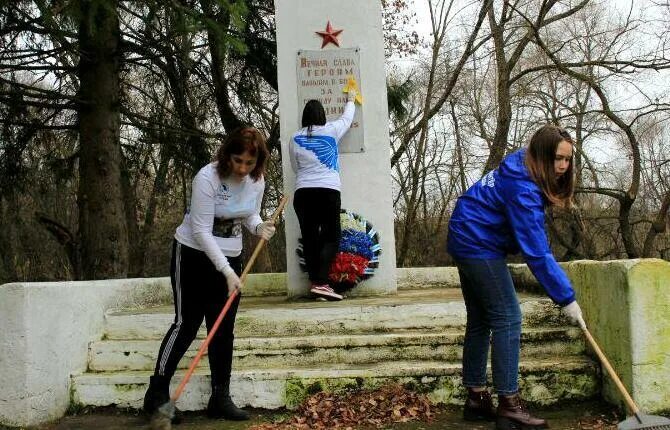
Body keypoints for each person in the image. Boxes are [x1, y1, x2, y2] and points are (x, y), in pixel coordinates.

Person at [446, 124, 586, 430]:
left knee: (481, 318)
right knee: (508, 317)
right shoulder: (523, 188)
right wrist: (567, 298)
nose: (563, 167)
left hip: (465, 233)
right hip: (476, 241)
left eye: (567, 160)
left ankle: (476, 397)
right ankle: (509, 405)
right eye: (557, 159)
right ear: (541, 156)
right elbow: (536, 252)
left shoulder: (522, 165)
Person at [143, 127, 276, 422]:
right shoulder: (207, 178)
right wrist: (227, 272)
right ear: (227, 154)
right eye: (237, 161)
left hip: (231, 255)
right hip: (192, 254)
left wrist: (258, 227)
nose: (242, 169)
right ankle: (157, 395)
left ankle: (220, 397)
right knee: (186, 324)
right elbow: (202, 231)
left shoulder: (257, 180)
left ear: (258, 162)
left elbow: (248, 214)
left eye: (249, 163)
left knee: (223, 328)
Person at [289, 88, 357, 301]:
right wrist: (351, 100)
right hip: (328, 190)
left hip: (303, 192)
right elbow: (347, 118)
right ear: (323, 116)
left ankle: (316, 282)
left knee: (310, 238)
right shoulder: (331, 130)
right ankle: (321, 283)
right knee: (332, 236)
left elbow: (295, 166)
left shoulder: (294, 138)